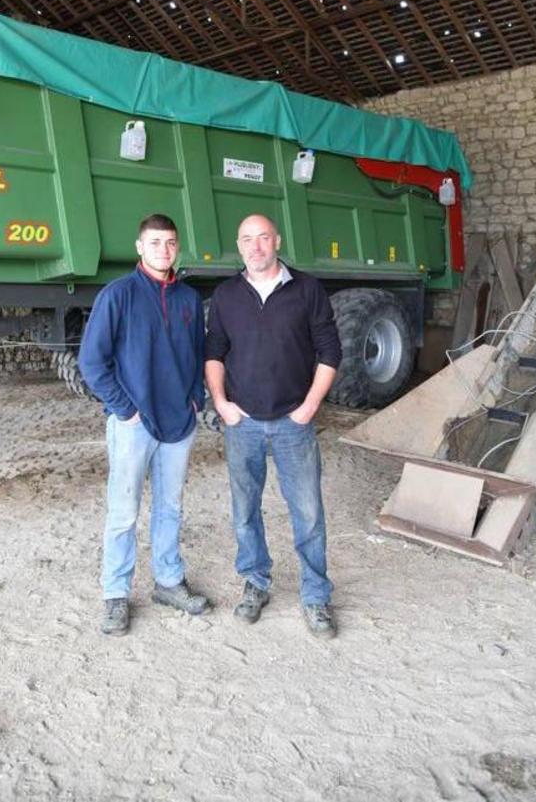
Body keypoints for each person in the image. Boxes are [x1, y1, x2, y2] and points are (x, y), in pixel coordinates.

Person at [205, 214, 342, 639]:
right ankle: (256, 582)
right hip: (242, 423)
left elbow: (330, 351)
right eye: (247, 238)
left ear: (277, 241)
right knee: (245, 510)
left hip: (292, 424)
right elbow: (214, 353)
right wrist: (222, 403)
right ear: (238, 244)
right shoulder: (227, 295)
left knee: (308, 511)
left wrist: (310, 406)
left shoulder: (307, 289)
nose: (256, 246)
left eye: (263, 237)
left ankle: (316, 596)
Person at [78, 213, 209, 637]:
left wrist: (195, 399)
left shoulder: (189, 299)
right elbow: (92, 363)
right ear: (139, 247)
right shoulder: (118, 295)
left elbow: (197, 354)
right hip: (134, 424)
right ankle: (116, 593)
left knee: (170, 508)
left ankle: (168, 581)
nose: (164, 250)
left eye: (170, 243)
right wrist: (124, 410)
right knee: (124, 511)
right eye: (155, 243)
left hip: (179, 423)